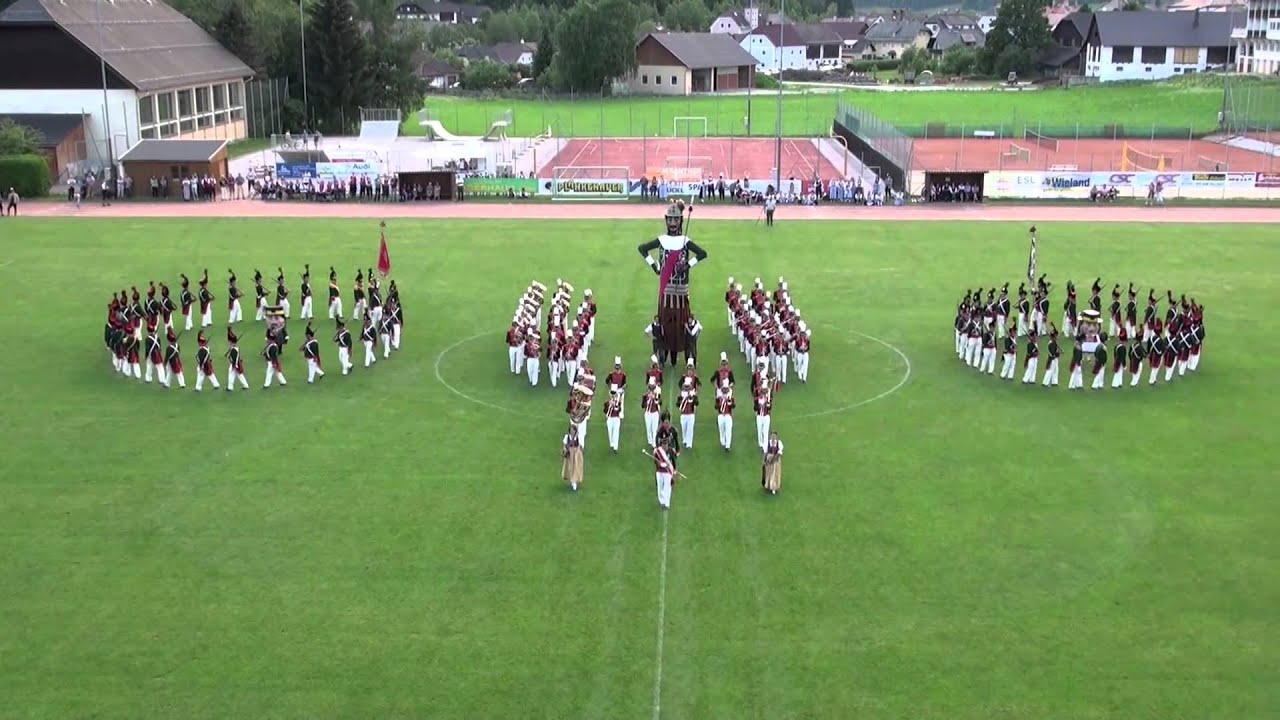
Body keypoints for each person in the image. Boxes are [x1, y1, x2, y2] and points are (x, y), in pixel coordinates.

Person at [637, 202, 709, 367]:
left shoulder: (685, 241)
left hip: (681, 290)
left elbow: (702, 253)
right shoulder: (662, 240)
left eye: (676, 219)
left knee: (682, 323)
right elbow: (642, 249)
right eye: (670, 219)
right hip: (666, 289)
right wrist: (655, 267)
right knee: (666, 323)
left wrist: (688, 265)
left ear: (681, 221)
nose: (673, 223)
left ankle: (687, 355)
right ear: (666, 220)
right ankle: (663, 355)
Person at [567, 385, 592, 449]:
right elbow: (568, 410)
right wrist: (573, 411)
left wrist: (582, 411)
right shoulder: (570, 401)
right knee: (573, 433)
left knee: (581, 434)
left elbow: (586, 413)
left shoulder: (585, 403)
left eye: (577, 394)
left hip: (581, 420)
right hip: (573, 419)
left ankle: (580, 448)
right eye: (575, 394)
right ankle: (572, 446)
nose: (576, 395)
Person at [562, 423, 584, 492]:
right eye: (571, 430)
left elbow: (581, 446)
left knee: (576, 467)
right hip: (569, 454)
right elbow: (564, 445)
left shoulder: (579, 437)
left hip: (576, 455)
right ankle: (572, 480)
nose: (572, 431)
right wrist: (565, 450)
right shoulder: (567, 437)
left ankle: (574, 482)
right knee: (570, 467)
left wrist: (577, 452)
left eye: (573, 430)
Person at [653, 443, 675, 510]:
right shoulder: (658, 451)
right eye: (663, 444)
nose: (665, 445)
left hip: (668, 472)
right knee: (660, 487)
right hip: (659, 471)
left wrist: (674, 469)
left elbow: (673, 460)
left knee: (667, 487)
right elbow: (656, 461)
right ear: (661, 444)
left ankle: (667, 504)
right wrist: (660, 464)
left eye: (666, 444)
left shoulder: (670, 451)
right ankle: (662, 501)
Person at [677, 378, 697, 450]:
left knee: (690, 429)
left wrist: (692, 397)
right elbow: (677, 404)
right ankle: (685, 440)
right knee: (684, 429)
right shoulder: (681, 394)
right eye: (686, 386)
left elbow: (696, 403)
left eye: (688, 386)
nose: (687, 387)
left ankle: (689, 444)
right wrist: (682, 400)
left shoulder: (693, 394)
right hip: (683, 414)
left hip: (691, 414)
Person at [762, 430, 783, 495]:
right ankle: (768, 485)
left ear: (776, 436)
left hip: (776, 460)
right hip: (768, 459)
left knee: (775, 473)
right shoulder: (768, 443)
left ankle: (773, 487)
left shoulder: (779, 443)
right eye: (772, 436)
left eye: (774, 436)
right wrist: (764, 460)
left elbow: (779, 453)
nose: (773, 437)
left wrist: (773, 459)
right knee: (769, 473)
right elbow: (765, 452)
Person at [715, 379, 735, 451]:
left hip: (728, 415)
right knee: (721, 430)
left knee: (728, 430)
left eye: (726, 389)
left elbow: (733, 406)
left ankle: (728, 445)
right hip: (720, 415)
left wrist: (729, 402)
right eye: (724, 389)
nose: (725, 390)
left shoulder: (730, 397)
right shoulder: (719, 398)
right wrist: (720, 403)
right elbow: (716, 407)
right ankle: (723, 441)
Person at [641, 380, 662, 447]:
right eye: (650, 387)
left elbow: (660, 403)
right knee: (648, 429)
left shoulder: (657, 395)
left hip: (655, 413)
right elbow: (642, 406)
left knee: (654, 429)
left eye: (653, 387)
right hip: (647, 414)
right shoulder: (645, 396)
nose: (651, 389)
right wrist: (647, 401)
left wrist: (655, 398)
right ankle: (650, 441)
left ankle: (654, 443)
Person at [604, 388, 623, 453]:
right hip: (609, 418)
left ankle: (615, 447)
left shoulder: (618, 402)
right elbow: (605, 411)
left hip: (616, 419)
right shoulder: (607, 402)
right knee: (610, 432)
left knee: (616, 432)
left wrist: (616, 406)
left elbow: (619, 410)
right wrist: (609, 406)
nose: (613, 396)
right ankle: (611, 444)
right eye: (612, 395)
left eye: (614, 395)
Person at [754, 385, 772, 450]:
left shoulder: (768, 399)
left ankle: (765, 446)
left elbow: (770, 408)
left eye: (765, 391)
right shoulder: (757, 399)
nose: (763, 393)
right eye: (762, 391)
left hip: (766, 416)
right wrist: (758, 406)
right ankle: (760, 444)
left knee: (765, 431)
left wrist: (768, 404)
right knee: (759, 430)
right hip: (759, 416)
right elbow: (755, 408)